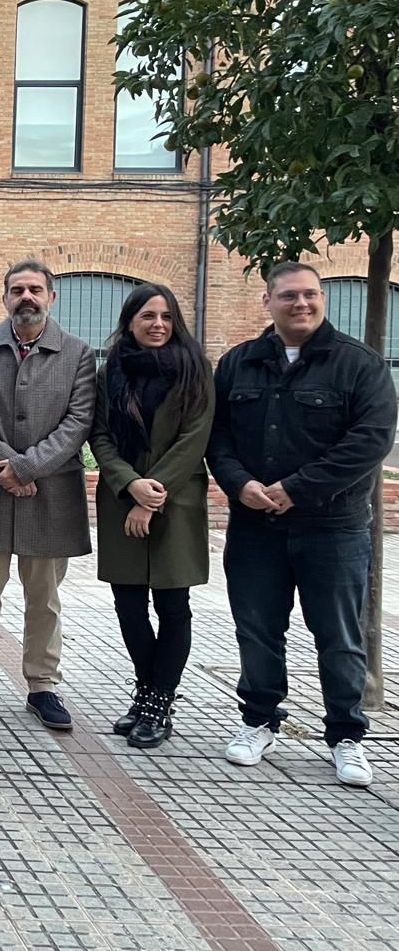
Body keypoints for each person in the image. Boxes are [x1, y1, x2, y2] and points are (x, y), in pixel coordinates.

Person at [209, 261, 397, 787]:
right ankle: (259, 721)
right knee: (258, 629)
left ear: (323, 300)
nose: (302, 304)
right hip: (253, 528)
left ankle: (346, 736)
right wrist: (238, 482)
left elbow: (369, 443)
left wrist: (295, 489)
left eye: (311, 295)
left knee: (338, 634)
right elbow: (217, 435)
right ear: (267, 302)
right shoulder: (239, 364)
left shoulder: (360, 365)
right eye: (289, 296)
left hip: (332, 527)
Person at [0, 259, 95, 731]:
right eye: (17, 290)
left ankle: (42, 686)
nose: (26, 297)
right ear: (5, 297)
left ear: (52, 297)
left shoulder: (78, 354)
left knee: (45, 597)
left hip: (50, 496)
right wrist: (7, 467)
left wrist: (28, 467)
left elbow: (77, 423)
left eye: (35, 289)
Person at [89, 284, 214, 748]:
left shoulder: (196, 370)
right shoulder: (110, 373)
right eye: (147, 316)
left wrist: (151, 495)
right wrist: (129, 484)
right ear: (130, 322)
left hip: (175, 503)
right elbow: (99, 436)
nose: (157, 324)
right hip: (122, 499)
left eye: (165, 316)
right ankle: (147, 693)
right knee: (128, 605)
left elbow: (194, 440)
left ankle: (159, 701)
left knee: (173, 605)